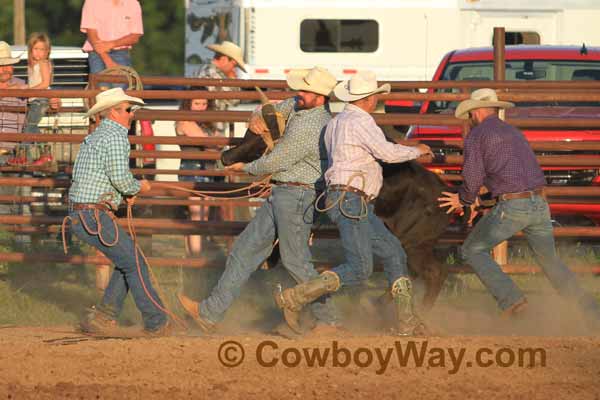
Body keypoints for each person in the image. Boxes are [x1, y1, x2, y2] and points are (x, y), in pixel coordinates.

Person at [177, 66, 339, 334]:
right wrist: (258, 117)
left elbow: (278, 159)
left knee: (295, 261)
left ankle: (329, 318)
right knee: (244, 250)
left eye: (306, 90)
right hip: (284, 193)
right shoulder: (300, 107)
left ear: (320, 97)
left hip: (297, 194)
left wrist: (243, 168)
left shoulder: (313, 124)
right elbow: (271, 111)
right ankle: (210, 313)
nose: (300, 92)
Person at [274, 71, 433, 336]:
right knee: (360, 267)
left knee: (393, 252)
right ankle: (295, 298)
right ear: (369, 99)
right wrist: (418, 151)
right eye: (375, 97)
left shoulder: (336, 123)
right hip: (352, 199)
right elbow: (387, 153)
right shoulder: (362, 122)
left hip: (344, 198)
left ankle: (407, 320)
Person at [438, 88, 600, 324]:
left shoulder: (477, 135)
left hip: (513, 207)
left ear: (477, 111)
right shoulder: (513, 132)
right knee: (550, 261)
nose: (471, 119)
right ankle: (590, 310)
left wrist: (463, 199)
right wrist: (480, 198)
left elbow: (473, 177)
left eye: (471, 114)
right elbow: (510, 174)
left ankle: (512, 300)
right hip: (538, 203)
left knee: (472, 250)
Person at [69, 87, 169, 336]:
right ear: (113, 112)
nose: (132, 114)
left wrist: (124, 193)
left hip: (84, 214)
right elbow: (120, 178)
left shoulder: (97, 135)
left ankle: (104, 316)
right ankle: (156, 320)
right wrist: (139, 187)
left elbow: (107, 177)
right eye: (128, 109)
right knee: (134, 262)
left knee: (127, 261)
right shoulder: (115, 136)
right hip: (93, 215)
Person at [176, 88, 218, 255]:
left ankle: (193, 255)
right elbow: (210, 143)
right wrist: (215, 144)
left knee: (202, 215)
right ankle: (196, 255)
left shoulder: (204, 123)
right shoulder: (186, 121)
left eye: (204, 104)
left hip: (204, 171)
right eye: (197, 103)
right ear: (188, 104)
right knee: (197, 215)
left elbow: (213, 143)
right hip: (192, 171)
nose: (201, 107)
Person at [195, 41, 246, 137]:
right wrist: (233, 79)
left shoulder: (209, 70)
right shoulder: (211, 72)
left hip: (209, 125)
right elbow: (234, 100)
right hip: (210, 126)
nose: (233, 69)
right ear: (224, 59)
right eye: (233, 65)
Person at [80, 0, 143, 74]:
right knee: (101, 84)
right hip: (96, 53)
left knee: (120, 84)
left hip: (121, 53)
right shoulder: (91, 2)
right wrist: (108, 61)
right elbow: (92, 36)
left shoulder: (133, 4)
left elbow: (135, 36)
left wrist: (111, 44)